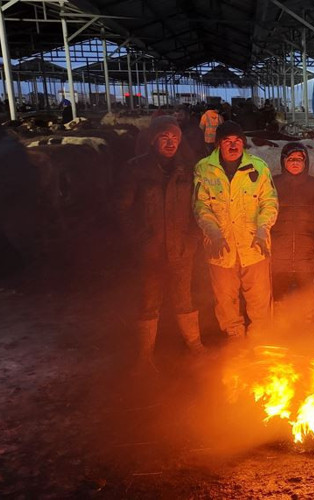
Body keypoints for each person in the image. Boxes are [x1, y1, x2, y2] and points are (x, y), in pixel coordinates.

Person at [119, 117, 206, 371]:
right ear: (152, 140)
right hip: (151, 250)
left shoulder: (187, 170)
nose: (170, 143)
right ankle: (145, 356)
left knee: (184, 298)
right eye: (164, 138)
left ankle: (195, 345)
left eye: (175, 138)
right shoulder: (135, 169)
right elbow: (121, 210)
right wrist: (140, 240)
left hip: (181, 248)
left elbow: (198, 208)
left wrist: (193, 239)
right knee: (149, 301)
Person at [193, 121, 278, 339]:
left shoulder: (259, 167)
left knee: (259, 297)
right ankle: (235, 339)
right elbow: (201, 206)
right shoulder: (204, 169)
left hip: (254, 246)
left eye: (238, 141)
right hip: (220, 248)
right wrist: (214, 234)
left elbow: (269, 203)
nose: (233, 146)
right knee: (225, 299)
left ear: (243, 143)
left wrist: (262, 230)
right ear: (218, 144)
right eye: (227, 141)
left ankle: (260, 340)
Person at [0, 109, 41, 279]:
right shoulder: (4, 143)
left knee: (15, 236)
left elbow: (13, 177)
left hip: (10, 201)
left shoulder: (3, 147)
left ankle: (26, 274)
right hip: (8, 199)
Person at [270, 143, 314, 310]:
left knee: (305, 294)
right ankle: (279, 322)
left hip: (307, 253)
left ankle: (306, 321)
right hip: (279, 253)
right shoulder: (273, 184)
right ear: (283, 161)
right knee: (279, 295)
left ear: (306, 162)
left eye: (299, 159)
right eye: (291, 159)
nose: (295, 162)